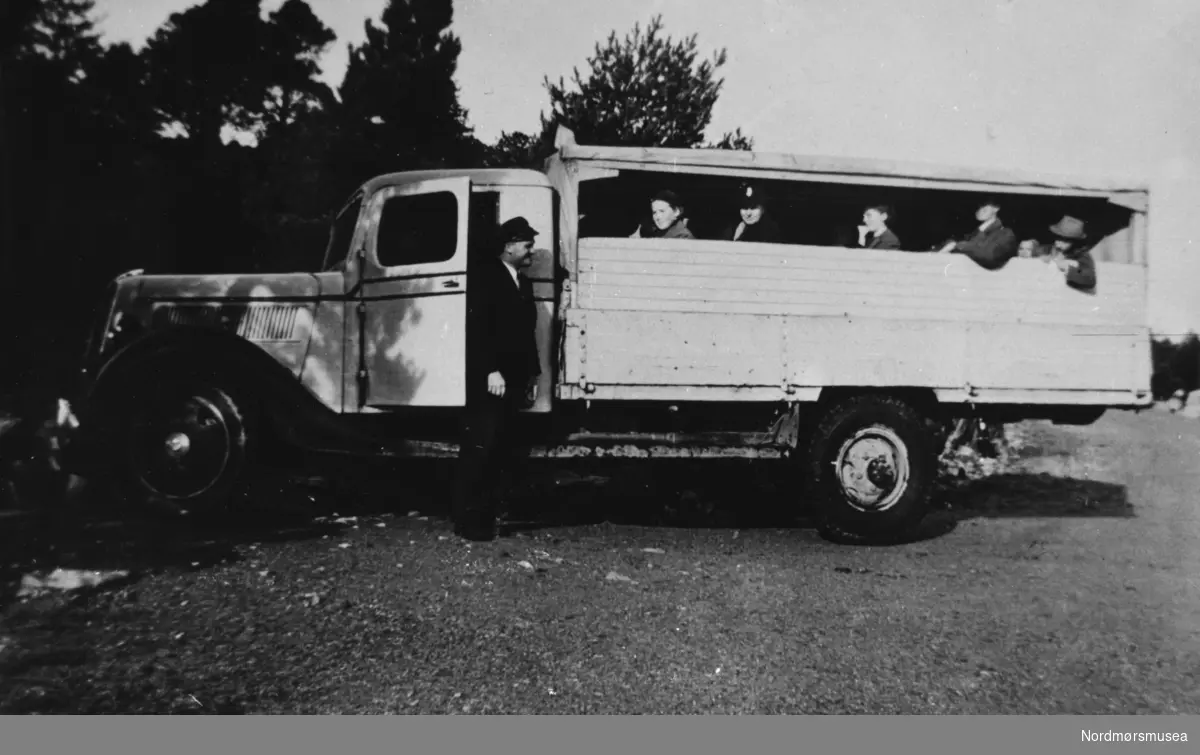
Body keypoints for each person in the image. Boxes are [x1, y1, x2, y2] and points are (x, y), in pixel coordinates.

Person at [452, 216, 542, 542]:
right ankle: (468, 522)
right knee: (481, 448)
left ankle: (488, 520)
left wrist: (533, 375)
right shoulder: (486, 277)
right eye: (527, 243)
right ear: (508, 247)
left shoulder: (524, 282)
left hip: (514, 380)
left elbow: (527, 334)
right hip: (490, 379)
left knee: (502, 450)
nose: (531, 249)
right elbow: (477, 329)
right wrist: (490, 369)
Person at [937, 197, 1018, 269]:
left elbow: (990, 256)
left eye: (984, 205)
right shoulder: (972, 232)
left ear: (996, 208)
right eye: (977, 207)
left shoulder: (1005, 233)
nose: (980, 210)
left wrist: (958, 246)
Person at [1045, 215, 1097, 291]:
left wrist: (1069, 268)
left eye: (1063, 241)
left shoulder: (1082, 254)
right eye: (1057, 239)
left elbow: (1090, 279)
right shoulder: (1057, 248)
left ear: (1075, 242)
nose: (1058, 244)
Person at [630, 190, 694, 240]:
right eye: (654, 212)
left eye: (662, 211)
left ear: (676, 212)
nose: (658, 217)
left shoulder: (683, 237)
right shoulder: (659, 233)